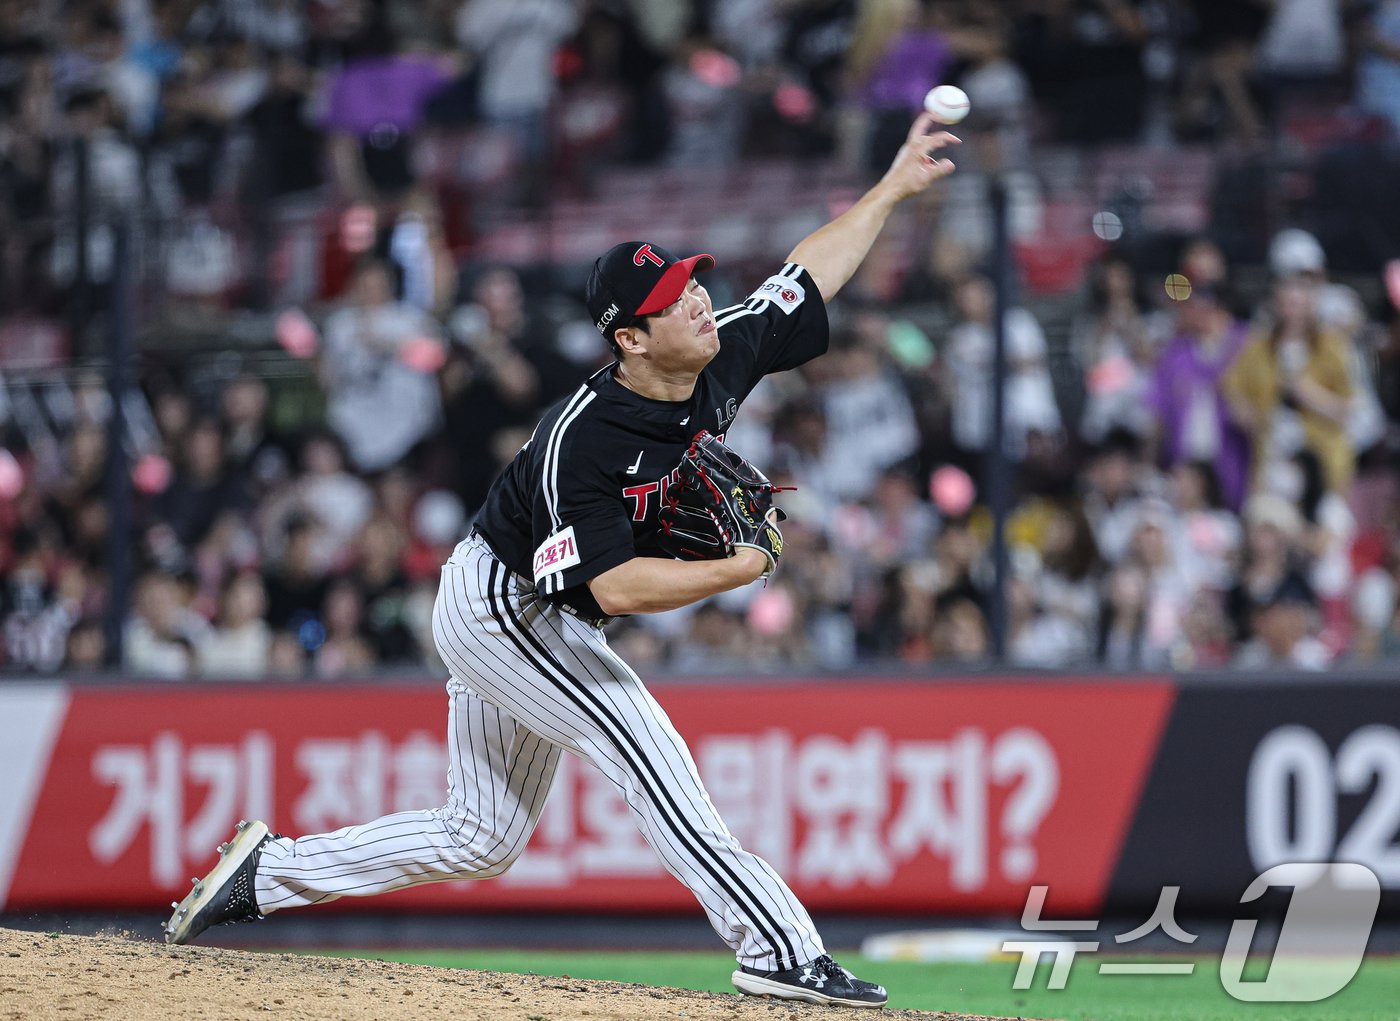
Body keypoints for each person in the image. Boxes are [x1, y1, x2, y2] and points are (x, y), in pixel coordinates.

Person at [164, 114, 960, 1009]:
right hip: (506, 603)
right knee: (643, 745)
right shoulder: (579, 442)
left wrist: (890, 187)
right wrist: (734, 572)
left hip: (533, 603)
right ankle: (777, 944)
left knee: (482, 835)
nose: (701, 299)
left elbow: (807, 274)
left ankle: (267, 875)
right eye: (676, 300)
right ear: (630, 338)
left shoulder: (720, 347)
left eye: (695, 283)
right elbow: (614, 586)